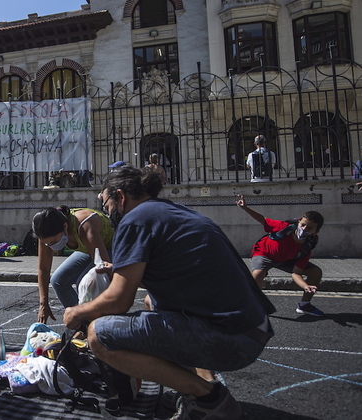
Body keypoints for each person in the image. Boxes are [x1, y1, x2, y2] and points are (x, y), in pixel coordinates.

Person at [64, 167, 275, 420]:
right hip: (252, 328)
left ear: (120, 197)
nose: (106, 210)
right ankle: (204, 382)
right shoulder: (168, 211)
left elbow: (118, 301)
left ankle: (209, 398)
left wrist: (76, 311)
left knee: (100, 335)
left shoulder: (134, 221)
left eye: (105, 202)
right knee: (152, 300)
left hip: (232, 341)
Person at [236, 195, 325, 317]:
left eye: (309, 228)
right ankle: (255, 305)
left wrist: (306, 286)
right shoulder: (284, 227)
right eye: (303, 225)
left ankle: (304, 305)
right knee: (257, 274)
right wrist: (245, 208)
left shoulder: (308, 245)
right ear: (299, 222)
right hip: (264, 253)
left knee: (316, 272)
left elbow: (296, 273)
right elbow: (263, 219)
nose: (304, 229)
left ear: (316, 231)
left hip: (287, 259)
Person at [32, 206, 113, 323]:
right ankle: (82, 323)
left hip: (114, 247)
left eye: (54, 242)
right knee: (58, 281)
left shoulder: (84, 225)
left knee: (84, 282)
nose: (51, 246)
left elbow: (103, 267)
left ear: (65, 227)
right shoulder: (44, 231)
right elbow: (43, 269)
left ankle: (95, 324)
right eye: (47, 244)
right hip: (88, 250)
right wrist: (43, 304)